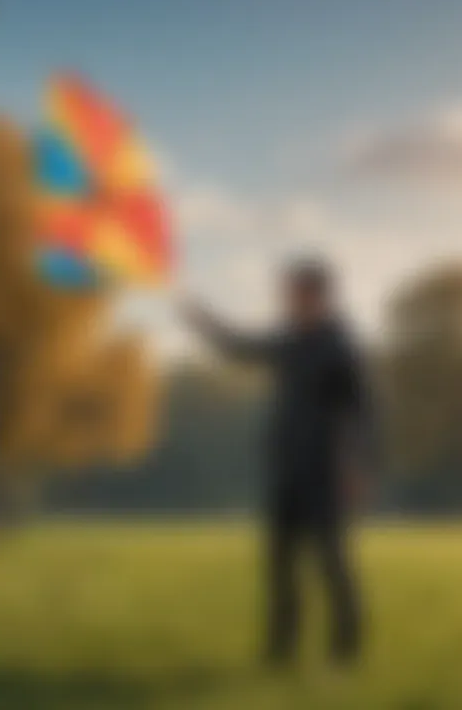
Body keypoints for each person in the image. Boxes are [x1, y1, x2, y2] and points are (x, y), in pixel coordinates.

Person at [182, 258, 380, 666]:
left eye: (293, 293)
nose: (286, 301)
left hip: (326, 473)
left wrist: (356, 467)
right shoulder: (290, 342)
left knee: (332, 566)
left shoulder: (340, 347)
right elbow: (240, 347)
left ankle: (346, 653)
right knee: (279, 569)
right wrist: (200, 320)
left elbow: (360, 413)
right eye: (286, 293)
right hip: (286, 472)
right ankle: (280, 653)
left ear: (318, 295)